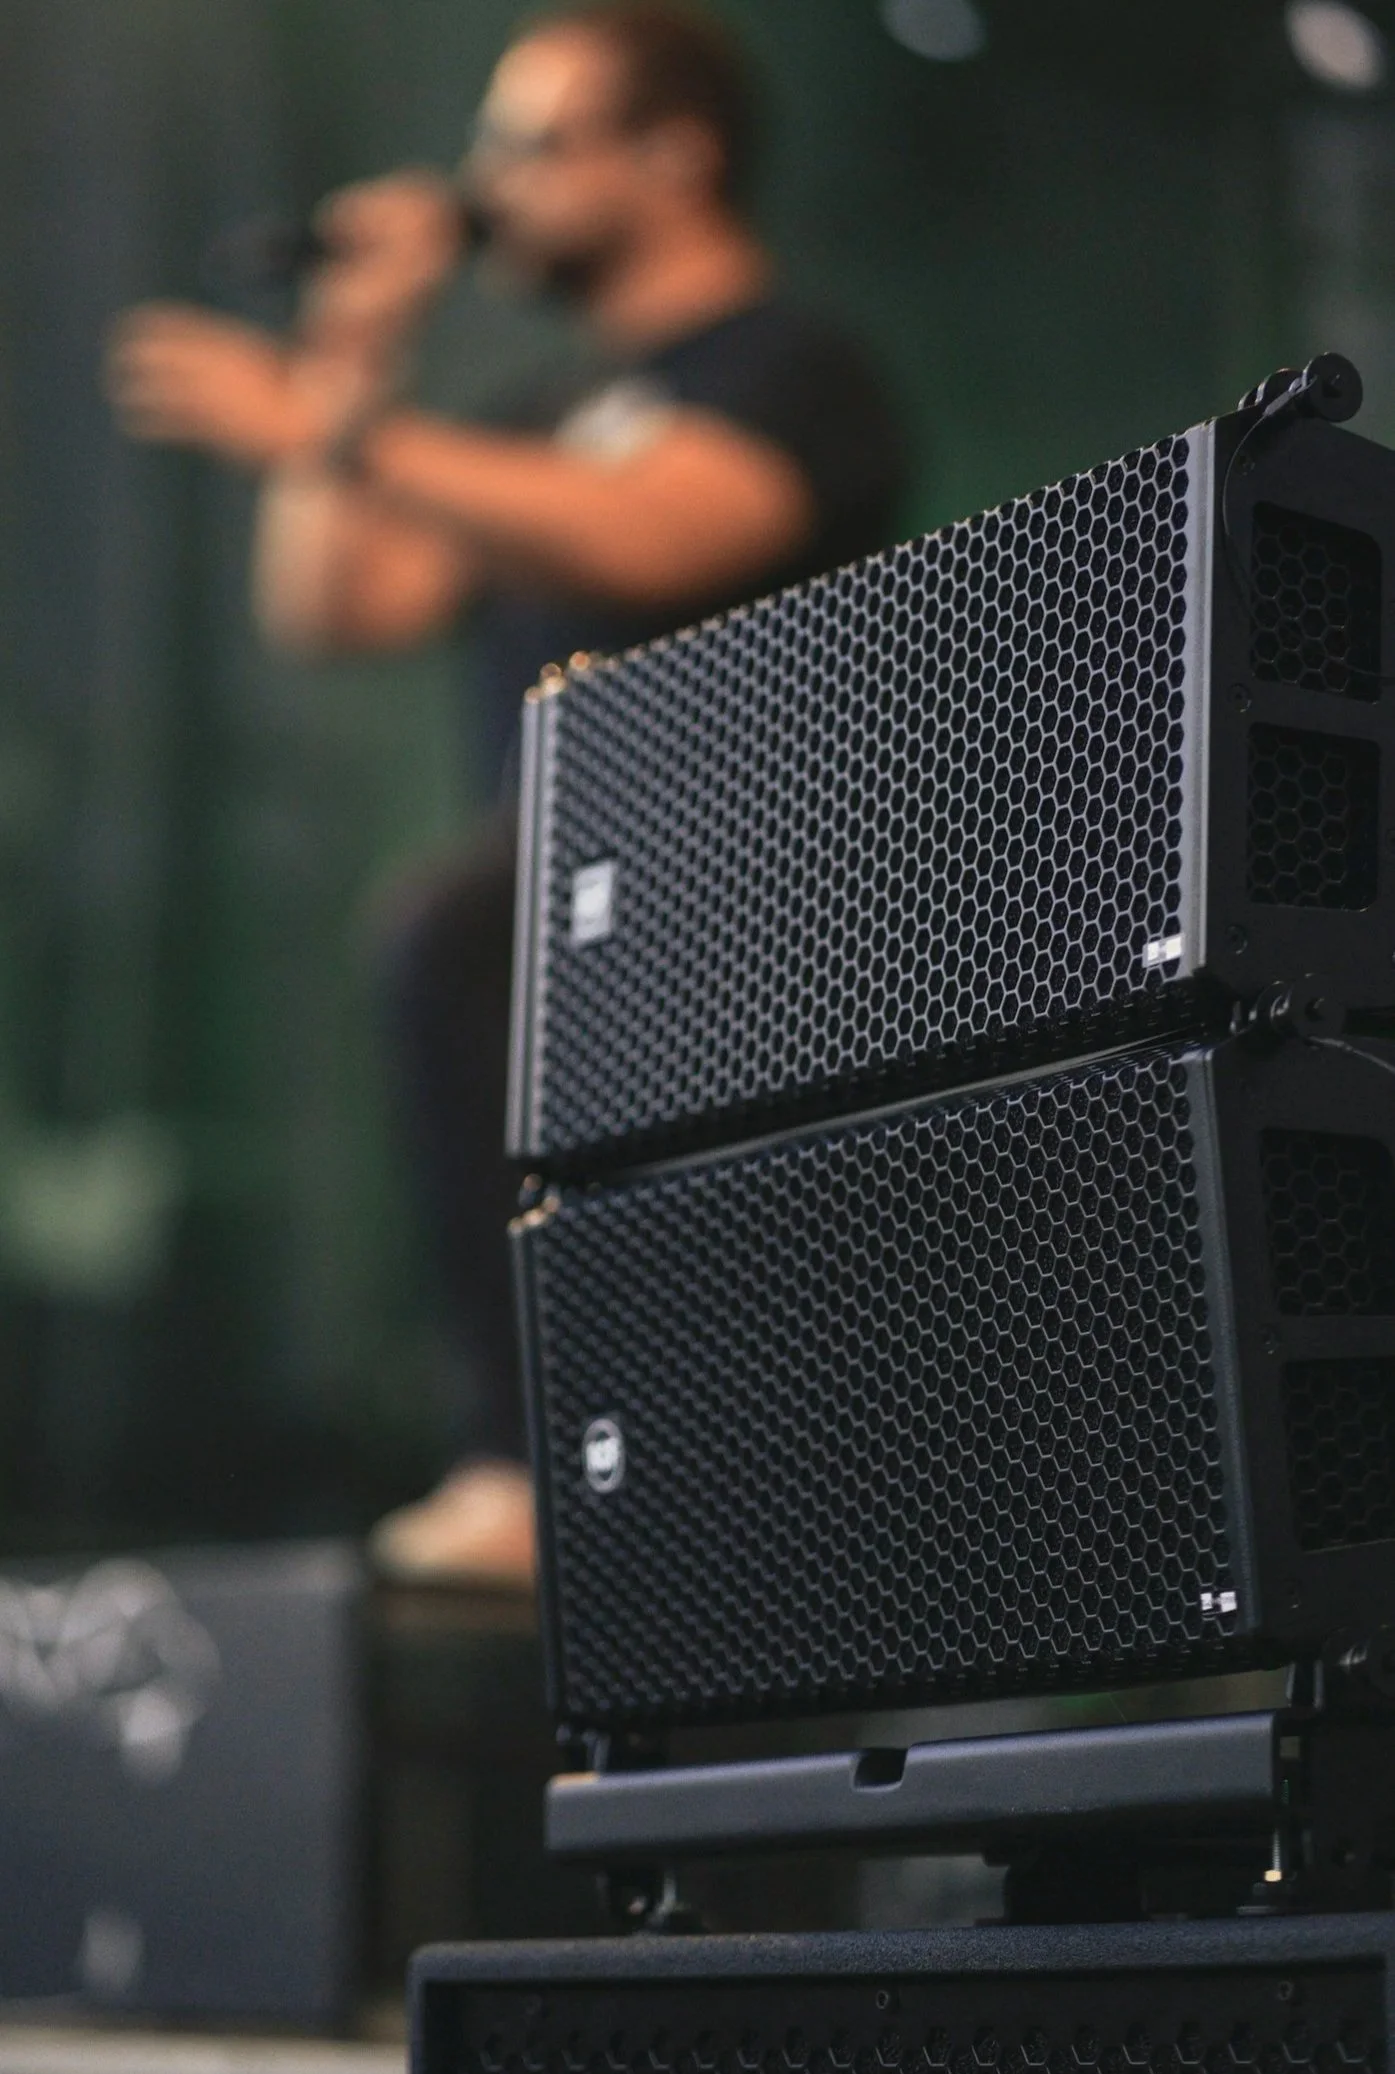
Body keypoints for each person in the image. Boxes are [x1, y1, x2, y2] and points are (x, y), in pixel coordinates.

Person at [107, 1, 907, 1585]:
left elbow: (654, 532)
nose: (491, 183)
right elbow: (336, 603)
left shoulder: (790, 365)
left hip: (752, 907)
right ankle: (533, 1464)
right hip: (570, 927)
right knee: (474, 931)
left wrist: (334, 427)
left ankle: (535, 1464)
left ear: (673, 159)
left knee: (458, 925)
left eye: (531, 145)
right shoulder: (532, 413)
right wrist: (353, 354)